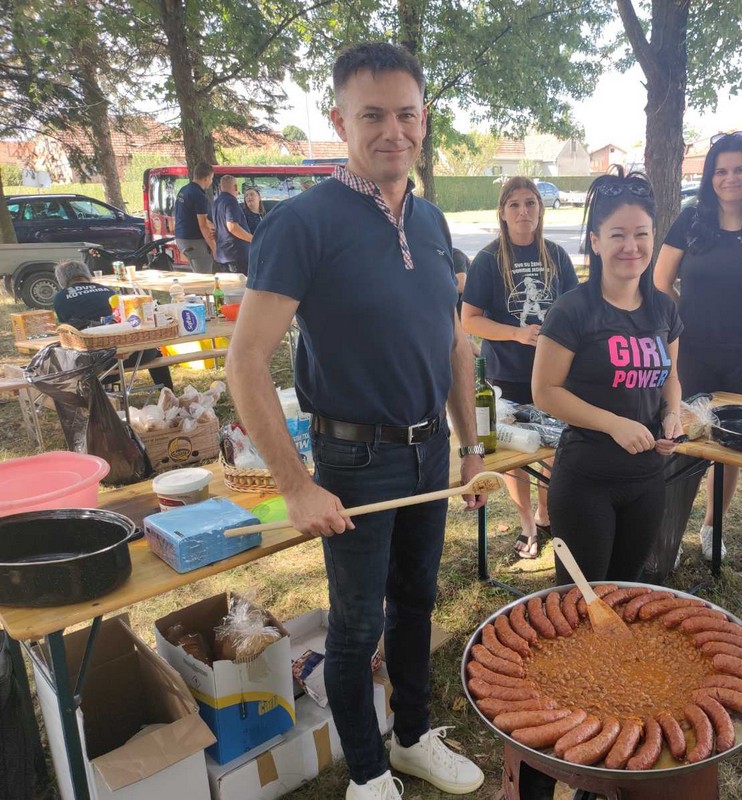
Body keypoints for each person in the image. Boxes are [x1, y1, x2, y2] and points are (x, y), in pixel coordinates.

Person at [225, 42, 487, 800]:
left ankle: (409, 739)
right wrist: (295, 484)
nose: (391, 131)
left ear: (424, 121)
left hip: (427, 451)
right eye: (371, 115)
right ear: (338, 120)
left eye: (406, 114)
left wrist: (470, 448)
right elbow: (246, 363)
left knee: (415, 605)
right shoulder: (302, 224)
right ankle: (367, 776)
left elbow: (453, 342)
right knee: (353, 627)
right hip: (353, 462)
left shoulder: (434, 221)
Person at [532, 168, 683, 585]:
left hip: (649, 480)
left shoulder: (664, 310)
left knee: (627, 592)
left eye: (642, 234)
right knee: (580, 604)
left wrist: (672, 413)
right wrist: (614, 424)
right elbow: (545, 391)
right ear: (595, 241)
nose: (631, 246)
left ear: (654, 237)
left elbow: (670, 377)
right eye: (617, 234)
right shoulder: (572, 310)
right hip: (586, 480)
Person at [653, 133, 742, 564]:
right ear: (710, 176)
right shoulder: (690, 221)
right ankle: (669, 532)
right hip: (692, 350)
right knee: (683, 438)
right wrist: (684, 322)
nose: (730, 178)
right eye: (721, 170)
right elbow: (660, 281)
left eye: (740, 169)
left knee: (732, 444)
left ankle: (713, 528)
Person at [461, 177, 578, 559]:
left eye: (530, 203)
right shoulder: (488, 259)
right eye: (514, 205)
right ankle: (527, 522)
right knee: (516, 455)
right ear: (503, 212)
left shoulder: (557, 256)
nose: (523, 211)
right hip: (507, 374)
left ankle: (547, 514)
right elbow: (470, 321)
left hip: (555, 375)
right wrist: (516, 333)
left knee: (552, 448)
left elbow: (578, 309)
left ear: (541, 209)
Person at [52, 260, 173, 390]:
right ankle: (168, 392)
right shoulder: (108, 290)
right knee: (156, 350)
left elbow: (67, 330)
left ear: (62, 280)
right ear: (87, 274)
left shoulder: (61, 297)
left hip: (98, 362)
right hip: (138, 354)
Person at [174, 162, 216, 273]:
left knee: (197, 275)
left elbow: (188, 214)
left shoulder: (184, 190)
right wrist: (214, 248)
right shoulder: (199, 196)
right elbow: (202, 225)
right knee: (204, 277)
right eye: (211, 178)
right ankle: (204, 291)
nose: (211, 182)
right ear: (206, 178)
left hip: (180, 238)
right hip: (193, 240)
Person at [211, 175, 253, 275]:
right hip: (235, 255)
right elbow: (232, 227)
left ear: (220, 187)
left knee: (228, 288)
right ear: (235, 187)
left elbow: (209, 223)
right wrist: (253, 239)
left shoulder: (216, 203)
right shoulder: (231, 202)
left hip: (222, 254)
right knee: (240, 288)